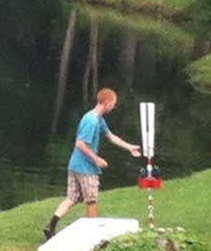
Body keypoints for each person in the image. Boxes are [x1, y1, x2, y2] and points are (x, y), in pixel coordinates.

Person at [42, 87, 143, 242]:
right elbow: (80, 144)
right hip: (85, 168)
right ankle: (94, 236)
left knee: (72, 198)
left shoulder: (98, 119)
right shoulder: (91, 121)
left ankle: (51, 226)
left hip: (74, 165)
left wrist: (130, 147)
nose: (113, 107)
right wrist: (97, 159)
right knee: (91, 200)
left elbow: (110, 136)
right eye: (113, 104)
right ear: (106, 102)